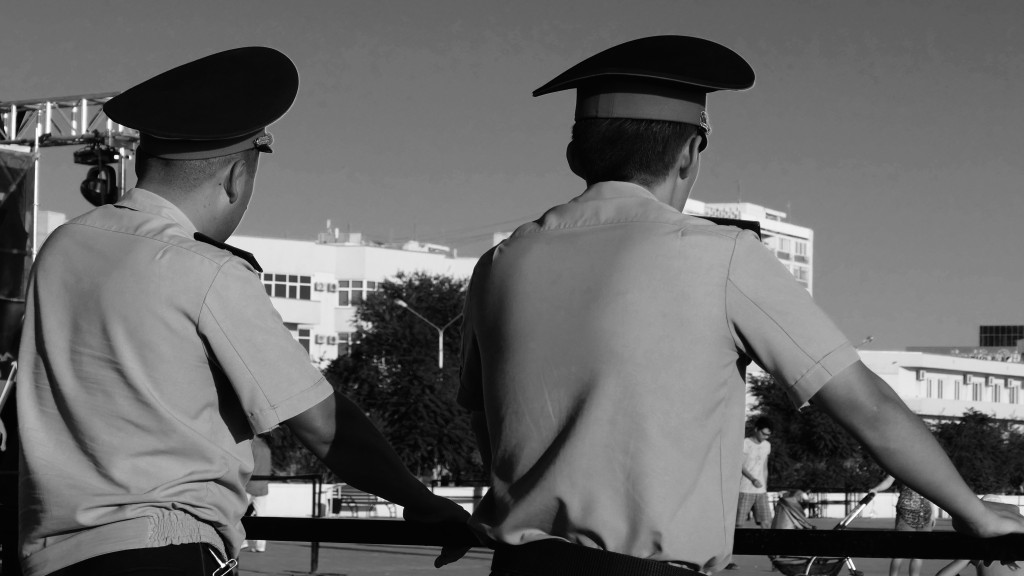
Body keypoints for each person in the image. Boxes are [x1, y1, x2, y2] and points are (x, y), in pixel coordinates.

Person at [457, 35, 1024, 576]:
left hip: (516, 566)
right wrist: (975, 514)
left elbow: (489, 425)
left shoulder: (501, 263)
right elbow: (863, 404)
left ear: (575, 153)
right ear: (689, 152)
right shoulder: (721, 255)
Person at [16, 47, 467, 576]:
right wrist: (423, 501)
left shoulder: (62, 248)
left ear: (142, 160)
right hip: (164, 549)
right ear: (236, 176)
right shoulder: (207, 270)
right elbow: (322, 425)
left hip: (53, 559)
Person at [870, 474, 940, 576]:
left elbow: (928, 492)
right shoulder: (899, 464)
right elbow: (888, 481)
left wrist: (933, 513)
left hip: (925, 515)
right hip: (905, 515)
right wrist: (875, 489)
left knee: (919, 554)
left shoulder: (925, 467)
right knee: (900, 552)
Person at [241, 435, 273, 553]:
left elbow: (245, 466)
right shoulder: (265, 447)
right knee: (261, 517)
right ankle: (260, 546)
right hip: (263, 486)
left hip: (250, 485)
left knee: (236, 513)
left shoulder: (250, 445)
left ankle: (241, 542)